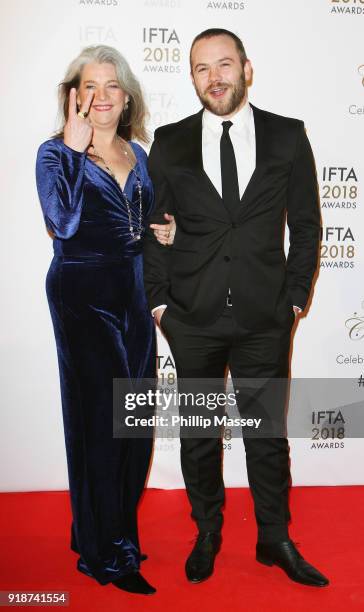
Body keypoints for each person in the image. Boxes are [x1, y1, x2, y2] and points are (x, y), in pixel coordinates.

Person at [143, 29, 329, 587]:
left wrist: (295, 299)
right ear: (192, 77)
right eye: (202, 69)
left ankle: (274, 537)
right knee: (200, 437)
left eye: (225, 65)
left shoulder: (286, 136)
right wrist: (158, 305)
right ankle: (207, 532)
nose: (215, 77)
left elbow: (308, 222)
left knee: (265, 435)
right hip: (192, 319)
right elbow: (155, 232)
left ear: (247, 69)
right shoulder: (170, 142)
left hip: (264, 319)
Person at [36, 45, 172, 595]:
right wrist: (72, 152)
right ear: (74, 96)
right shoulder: (52, 153)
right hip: (82, 294)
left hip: (134, 296)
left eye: (112, 85)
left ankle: (107, 529)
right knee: (101, 425)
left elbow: (141, 221)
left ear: (127, 95)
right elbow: (61, 223)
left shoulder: (138, 153)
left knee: (134, 422)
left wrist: (161, 233)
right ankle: (104, 555)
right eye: (90, 86)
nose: (102, 97)